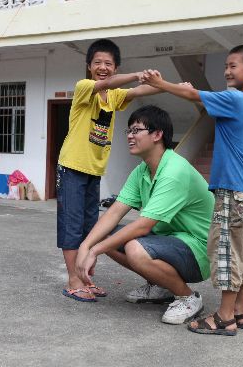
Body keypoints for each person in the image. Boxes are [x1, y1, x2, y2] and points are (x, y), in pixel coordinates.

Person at [141, 44, 243, 336]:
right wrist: (189, 90)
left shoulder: (234, 99)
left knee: (225, 252)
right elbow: (202, 100)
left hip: (232, 189)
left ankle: (224, 317)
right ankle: (241, 311)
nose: (227, 71)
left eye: (233, 66)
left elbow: (193, 96)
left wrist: (161, 83)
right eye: (225, 66)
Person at [76, 105, 215, 324]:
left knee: (134, 248)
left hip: (199, 250)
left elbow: (143, 226)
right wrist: (86, 246)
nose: (130, 136)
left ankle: (188, 298)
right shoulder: (142, 170)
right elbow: (115, 211)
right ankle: (161, 285)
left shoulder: (174, 171)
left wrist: (95, 250)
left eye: (136, 130)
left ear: (157, 135)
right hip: (169, 240)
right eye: (129, 131)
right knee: (105, 234)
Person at [58, 39, 162, 302]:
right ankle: (73, 281)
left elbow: (140, 91)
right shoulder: (84, 87)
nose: (103, 68)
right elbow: (111, 84)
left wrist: (171, 86)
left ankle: (85, 278)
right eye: (98, 63)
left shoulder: (113, 97)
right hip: (72, 166)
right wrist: (137, 74)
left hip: (93, 170)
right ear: (89, 66)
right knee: (71, 225)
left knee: (90, 226)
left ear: (116, 67)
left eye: (108, 64)